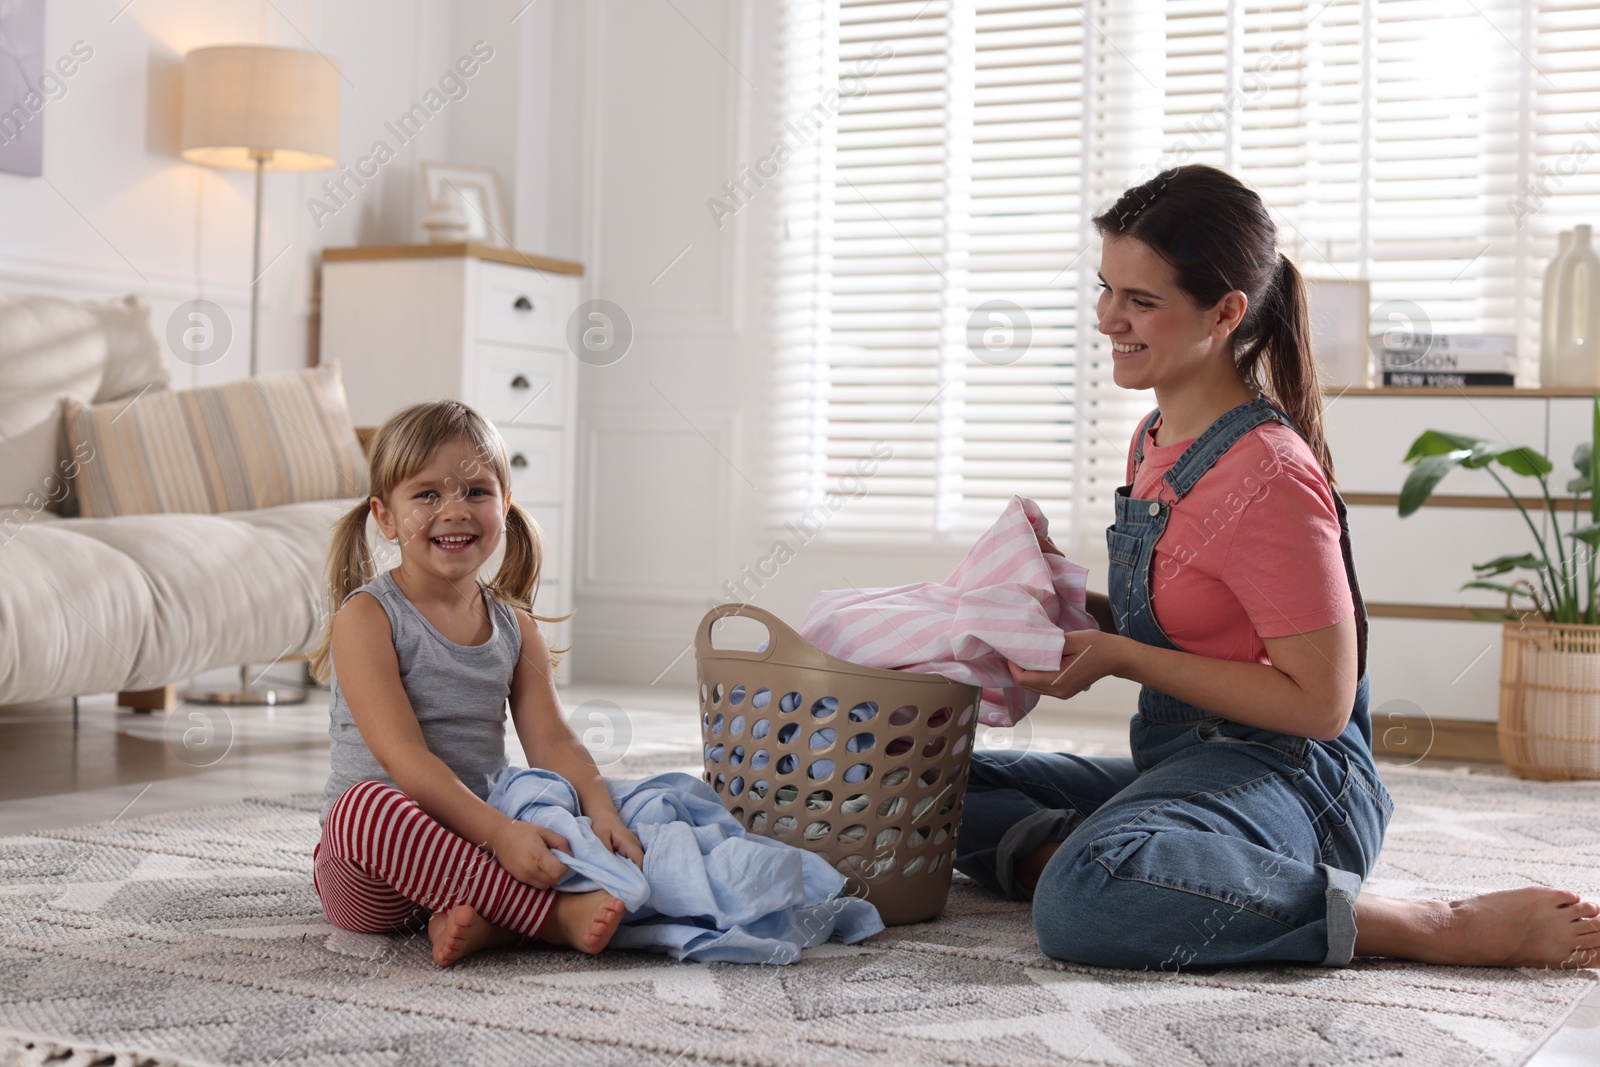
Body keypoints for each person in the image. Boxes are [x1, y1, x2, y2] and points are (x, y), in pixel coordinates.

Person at [954, 164, 1600, 972]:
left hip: (1297, 780)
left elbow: (1321, 705)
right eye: (1105, 288)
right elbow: (1198, 620)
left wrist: (1120, 657)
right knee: (936, 773)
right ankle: (1150, 862)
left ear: (1226, 312)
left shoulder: (1269, 475)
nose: (1106, 318)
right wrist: (1059, 601)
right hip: (1185, 761)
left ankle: (1428, 922)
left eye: (1140, 301)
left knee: (1083, 899)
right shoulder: (1155, 437)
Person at [307, 400, 641, 966]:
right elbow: (404, 757)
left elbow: (554, 744)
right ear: (385, 517)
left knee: (609, 803)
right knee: (362, 807)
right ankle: (549, 919)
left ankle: (484, 917)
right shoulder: (367, 618)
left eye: (476, 492)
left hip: (476, 850)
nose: (454, 510)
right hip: (374, 871)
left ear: (505, 507)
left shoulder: (516, 628)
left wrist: (602, 810)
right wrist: (500, 836)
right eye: (428, 494)